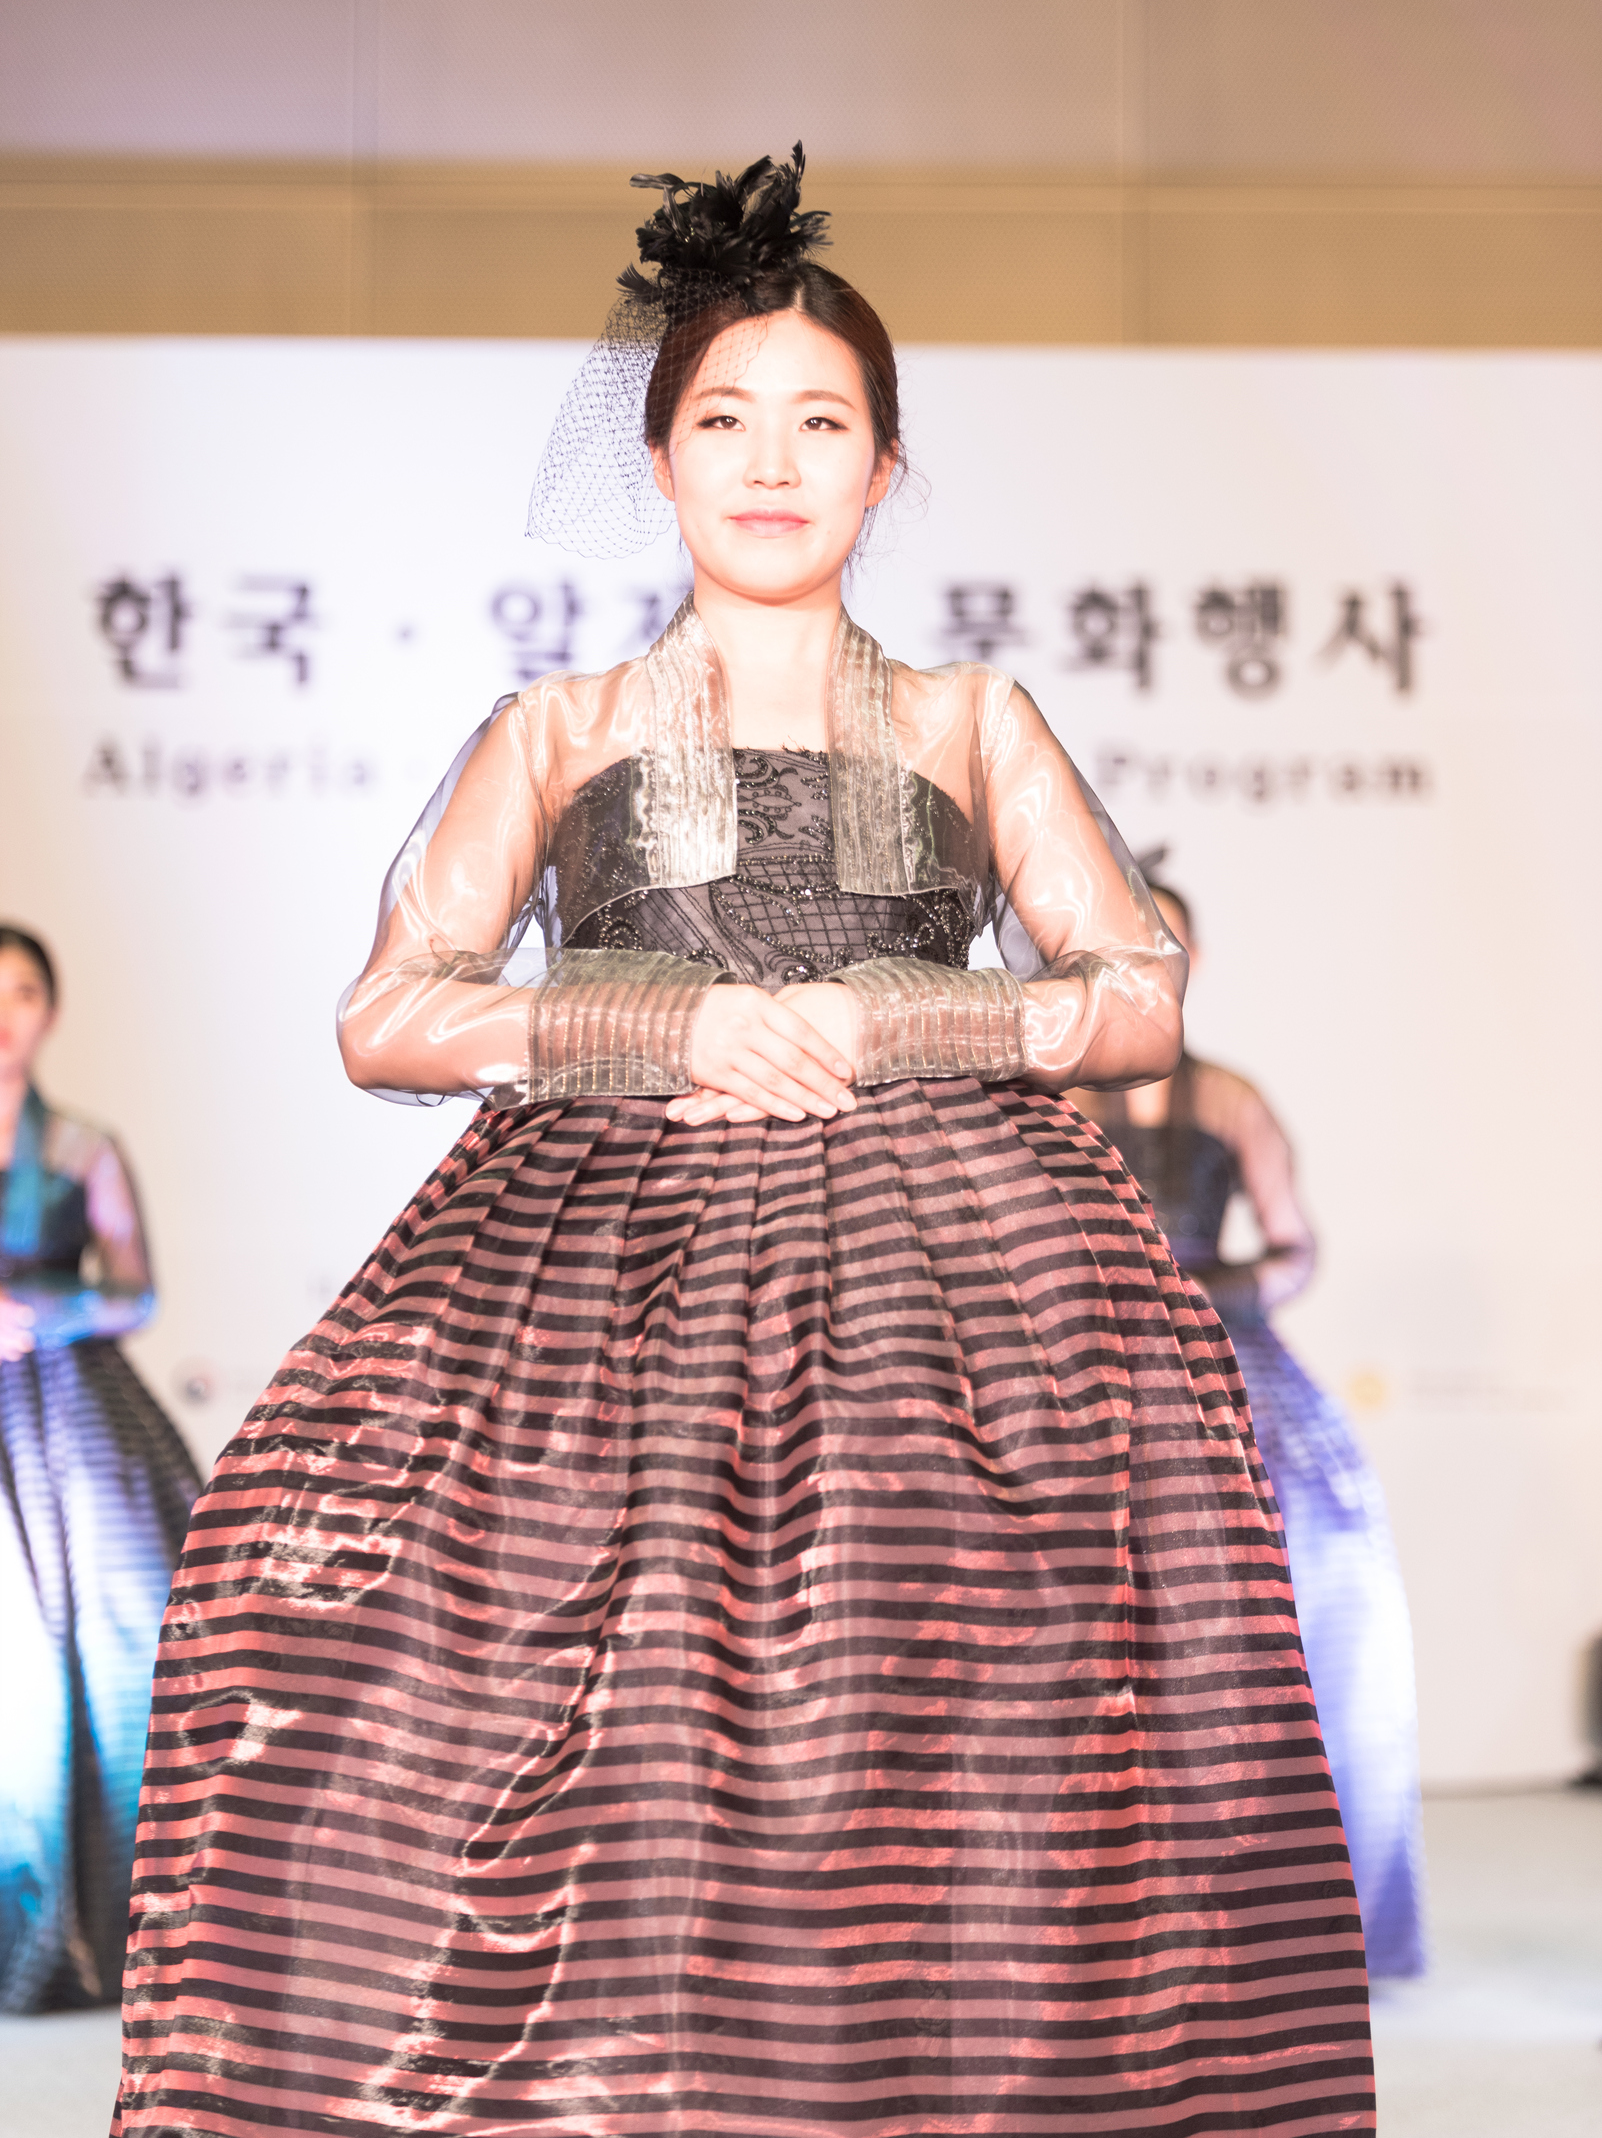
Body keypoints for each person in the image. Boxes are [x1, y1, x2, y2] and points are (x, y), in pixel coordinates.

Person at [114, 152, 1374, 2134]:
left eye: (821, 424)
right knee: (490, 1695)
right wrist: (666, 1023)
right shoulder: (560, 725)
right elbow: (389, 1015)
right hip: (597, 1285)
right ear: (660, 458)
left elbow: (1134, 992)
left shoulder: (969, 717)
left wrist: (893, 1017)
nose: (771, 464)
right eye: (724, 420)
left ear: (884, 468)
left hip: (954, 1303)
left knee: (962, 1743)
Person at [1075, 873, 1426, 1980]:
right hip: (1084, 1360)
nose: (1148, 965)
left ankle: (1301, 1919)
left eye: (1167, 948)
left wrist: (1212, 1289)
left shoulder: (1228, 1097)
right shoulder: (1051, 1094)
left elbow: (1295, 1247)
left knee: (1313, 1598)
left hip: (1229, 1359)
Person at [0, 926, 199, 2014]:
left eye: (23, 992)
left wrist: (42, 1309)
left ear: (51, 1011)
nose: (4, 1015)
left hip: (68, 1411)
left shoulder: (81, 1146)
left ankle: (120, 1927)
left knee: (116, 1649)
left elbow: (136, 1291)